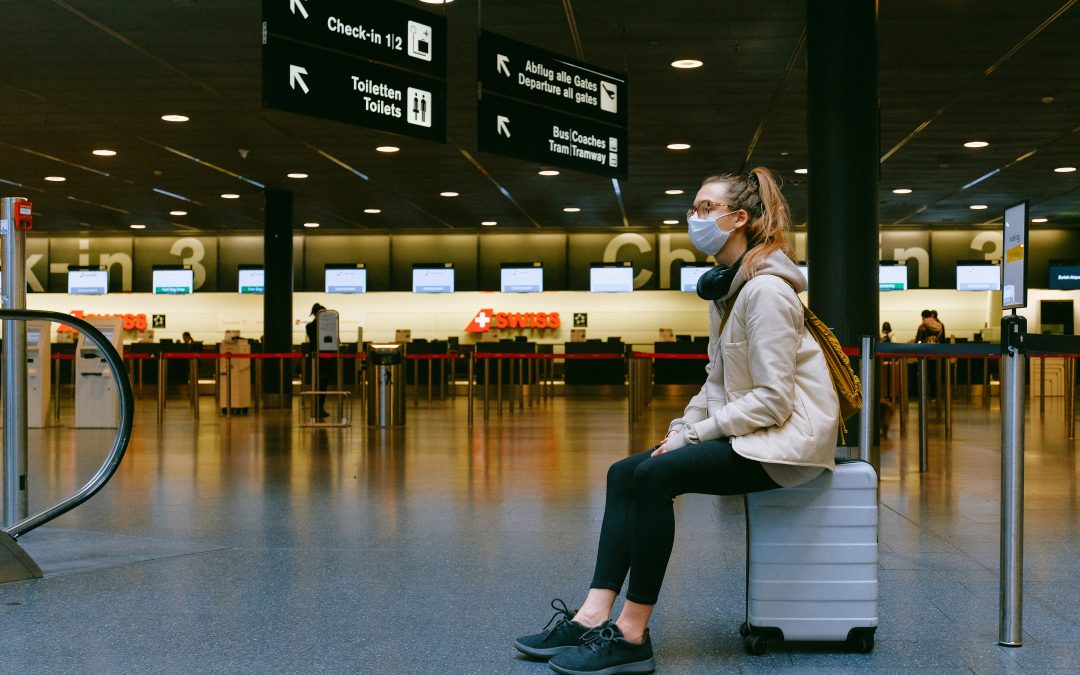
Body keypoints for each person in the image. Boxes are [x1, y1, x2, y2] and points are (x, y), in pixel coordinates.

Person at [513, 168, 840, 675]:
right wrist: (680, 431)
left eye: (706, 208)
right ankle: (590, 615)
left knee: (655, 475)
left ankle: (631, 633)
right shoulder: (730, 292)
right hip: (752, 433)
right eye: (694, 207)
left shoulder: (767, 293)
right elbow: (717, 381)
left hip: (784, 445)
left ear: (740, 220)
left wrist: (698, 435)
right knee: (625, 471)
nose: (694, 217)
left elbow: (775, 401)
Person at [306, 303, 331, 418]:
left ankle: (319, 407)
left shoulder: (311, 326)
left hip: (319, 358)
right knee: (320, 384)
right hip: (320, 359)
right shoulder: (314, 327)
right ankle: (318, 407)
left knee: (320, 383)